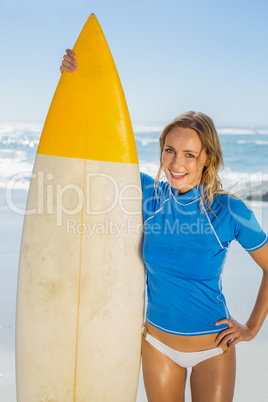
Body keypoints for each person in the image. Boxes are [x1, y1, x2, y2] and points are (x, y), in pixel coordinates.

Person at [60, 49, 268, 402]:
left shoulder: (230, 210)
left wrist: (251, 327)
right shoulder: (147, 195)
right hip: (157, 344)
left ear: (208, 159)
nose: (177, 162)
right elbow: (93, 149)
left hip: (212, 349)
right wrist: (75, 83)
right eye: (170, 150)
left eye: (189, 154)